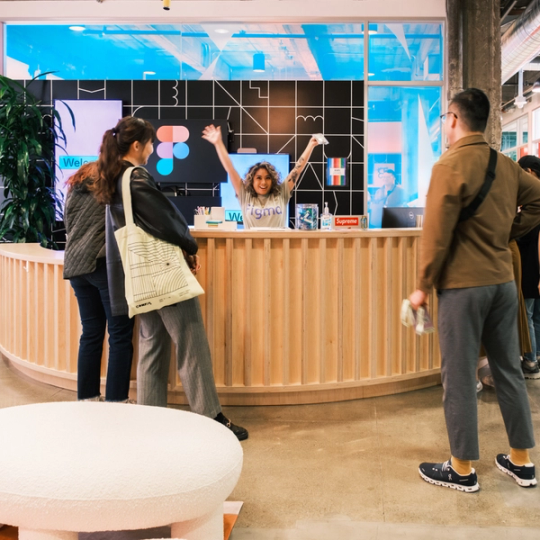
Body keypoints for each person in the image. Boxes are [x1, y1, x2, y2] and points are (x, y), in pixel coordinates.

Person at [408, 88, 539, 492]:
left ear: (453, 119)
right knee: (509, 371)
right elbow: (538, 200)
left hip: (463, 287)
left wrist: (421, 287)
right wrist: (506, 234)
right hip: (502, 282)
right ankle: (522, 461)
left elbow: (435, 234)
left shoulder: (448, 165)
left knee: (460, 376)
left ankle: (461, 468)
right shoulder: (506, 164)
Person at [95, 116, 248, 440]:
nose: (152, 149)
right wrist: (189, 245)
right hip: (164, 276)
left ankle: (152, 423)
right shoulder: (136, 177)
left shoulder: (116, 180)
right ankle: (211, 418)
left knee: (152, 346)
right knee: (191, 340)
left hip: (141, 279)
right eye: (150, 143)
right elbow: (165, 219)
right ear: (136, 145)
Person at [63, 161, 134, 402]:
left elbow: (68, 224)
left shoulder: (75, 186)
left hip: (76, 266)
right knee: (120, 335)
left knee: (91, 333)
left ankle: (88, 399)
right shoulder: (113, 183)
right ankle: (116, 401)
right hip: (102, 265)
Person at [202, 124, 320, 229]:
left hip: (279, 250)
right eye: (258, 178)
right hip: (251, 251)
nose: (263, 182)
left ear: (272, 180)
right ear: (252, 180)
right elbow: (230, 168)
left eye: (267, 178)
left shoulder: (281, 193)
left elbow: (297, 170)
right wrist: (218, 143)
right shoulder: (245, 195)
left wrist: (310, 145)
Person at [517, 155, 540, 379]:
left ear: (530, 172)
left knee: (528, 315)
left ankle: (531, 362)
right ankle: (537, 357)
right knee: (535, 316)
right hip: (537, 271)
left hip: (530, 269)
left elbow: (524, 236)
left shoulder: (533, 206)